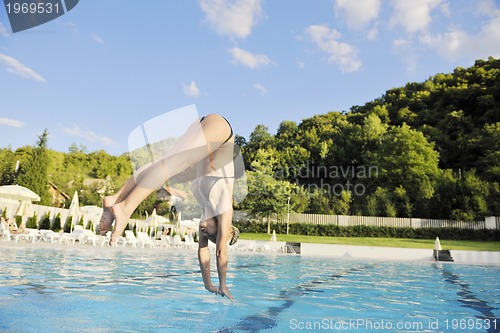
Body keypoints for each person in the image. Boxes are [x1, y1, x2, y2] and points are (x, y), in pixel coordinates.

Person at [99, 113, 239, 300]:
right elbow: (221, 251)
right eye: (212, 234)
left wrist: (208, 284)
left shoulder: (206, 210)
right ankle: (124, 208)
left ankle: (115, 199)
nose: (204, 233)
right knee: (174, 163)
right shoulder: (224, 206)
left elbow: (203, 250)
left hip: (208, 131)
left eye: (207, 236)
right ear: (223, 227)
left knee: (163, 164)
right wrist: (223, 284)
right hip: (222, 131)